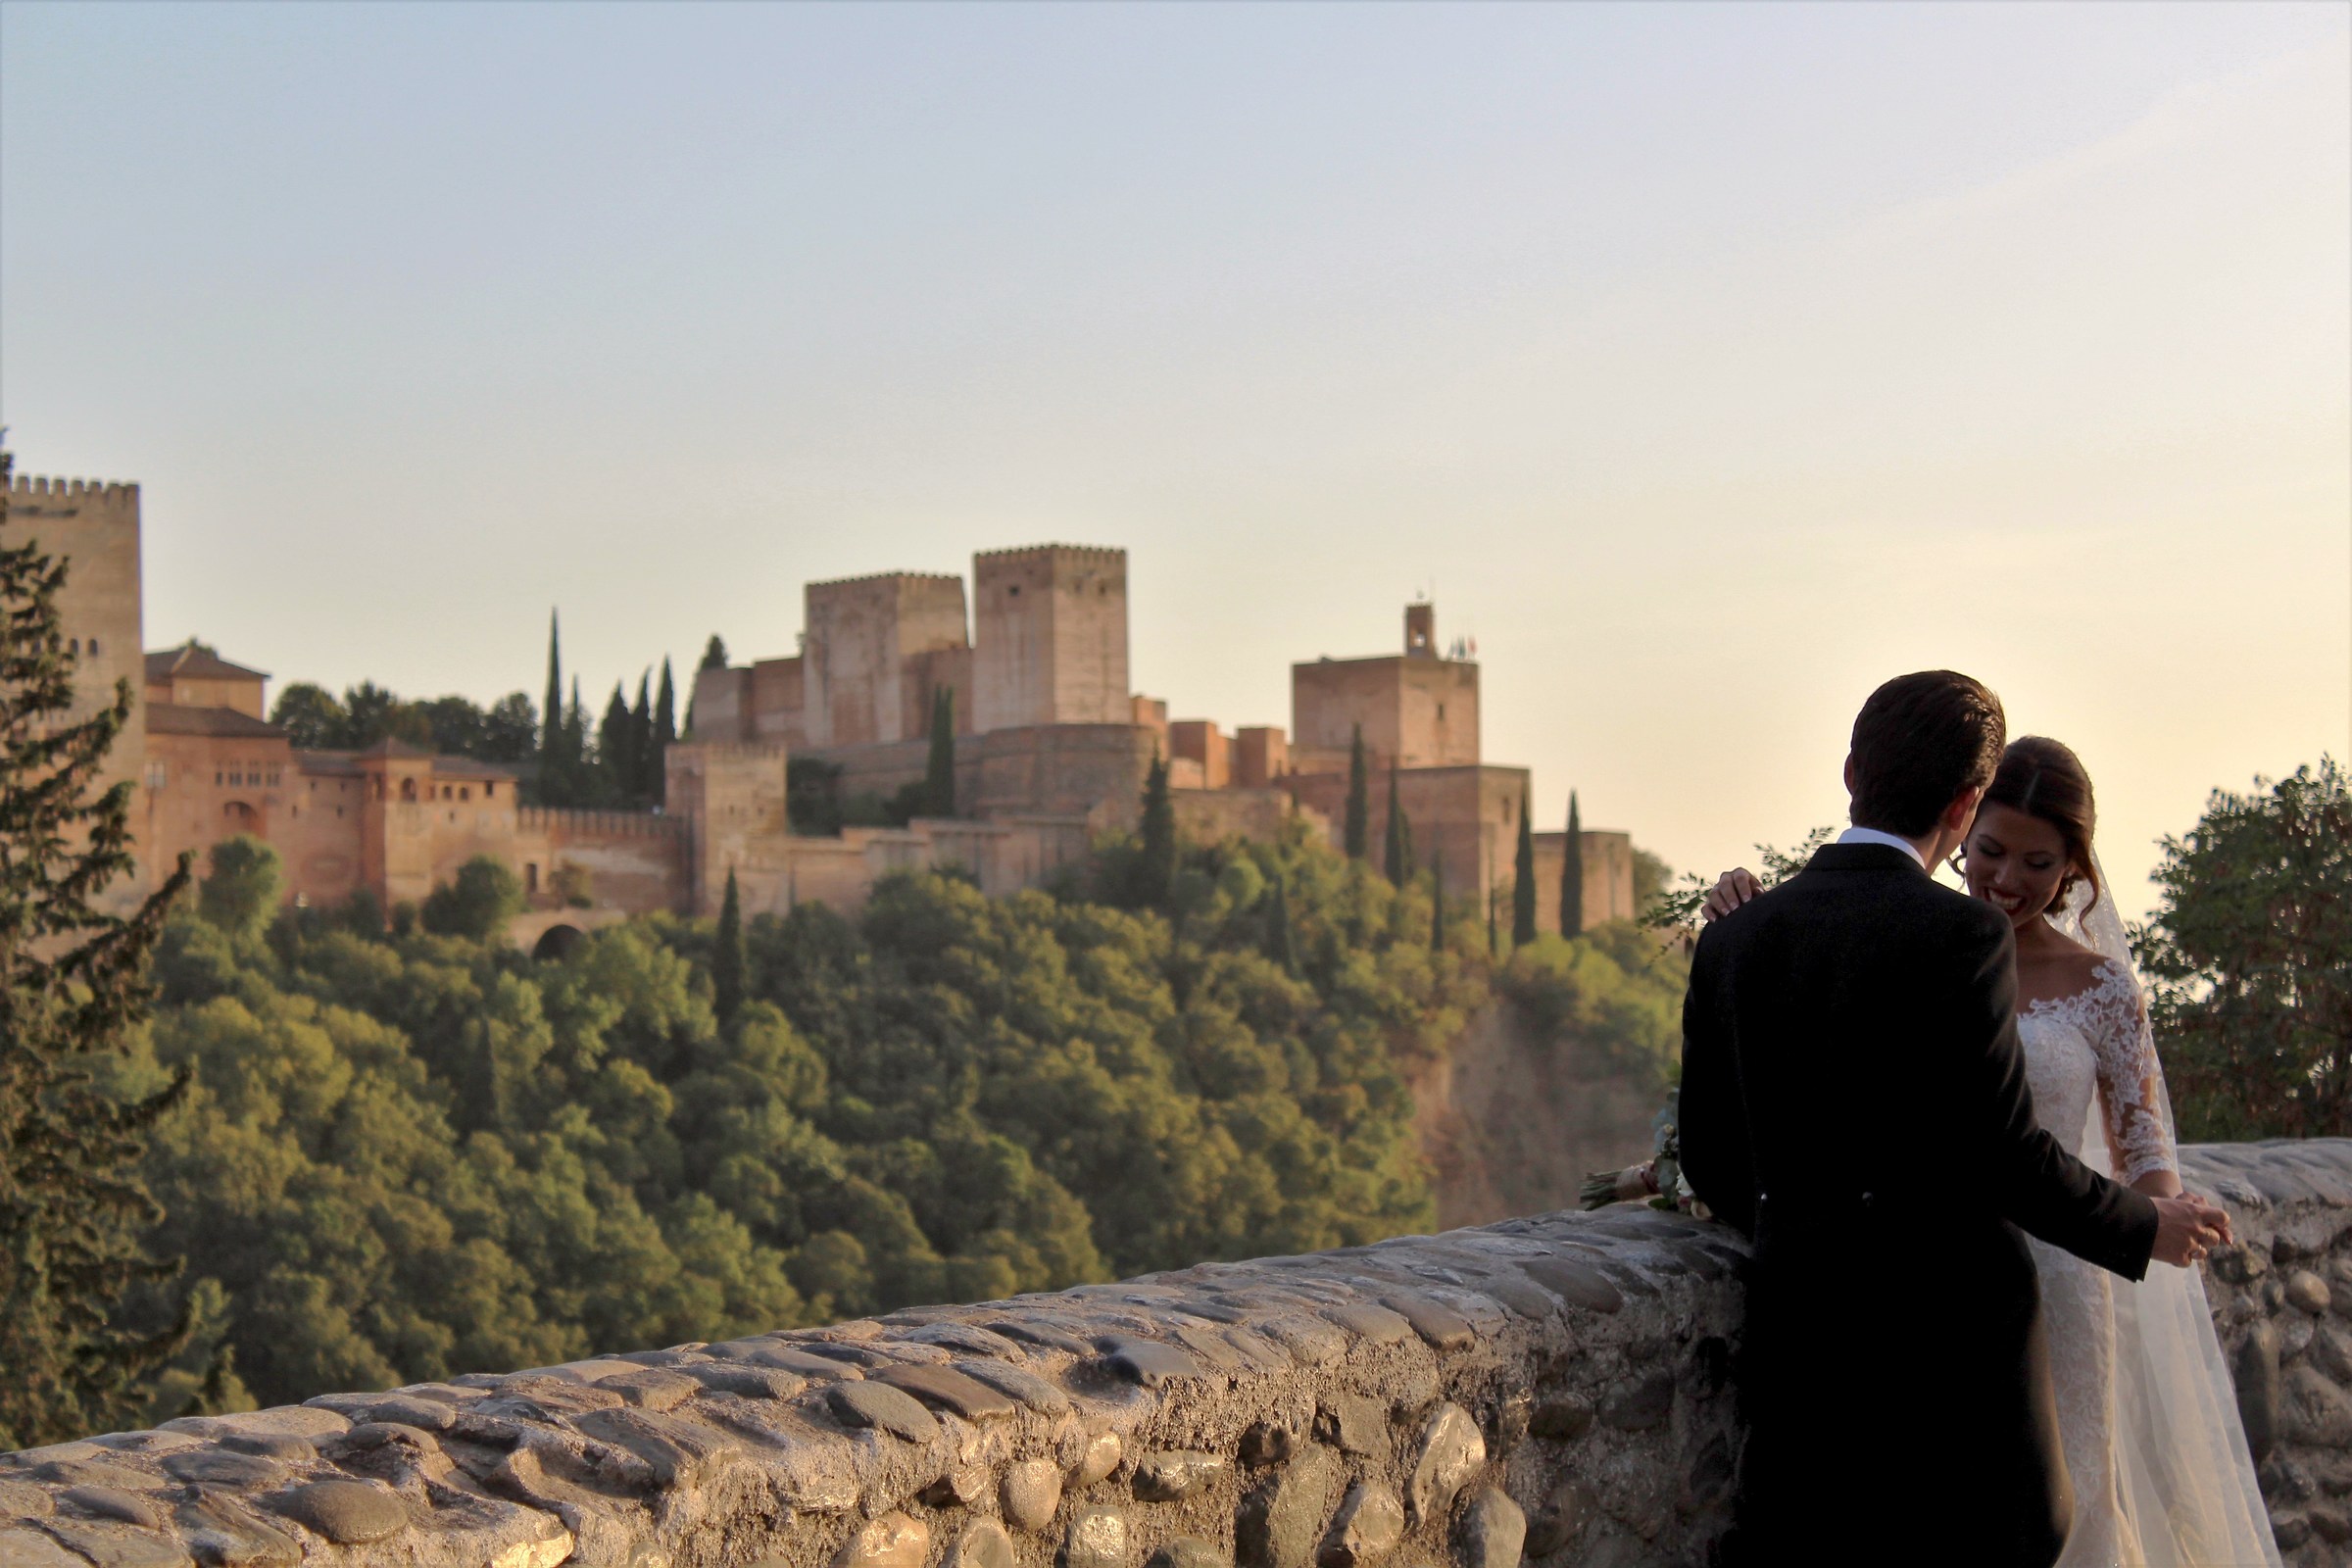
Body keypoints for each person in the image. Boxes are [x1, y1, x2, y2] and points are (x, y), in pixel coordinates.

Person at [1677, 671, 2232, 1568]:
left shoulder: (1738, 934)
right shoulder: (1961, 938)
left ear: (1851, 770)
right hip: (1956, 1361)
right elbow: (2004, 1152)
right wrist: (2142, 1225)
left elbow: (1711, 1158)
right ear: (1968, 804)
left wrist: (1815, 1228)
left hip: (1799, 1340)